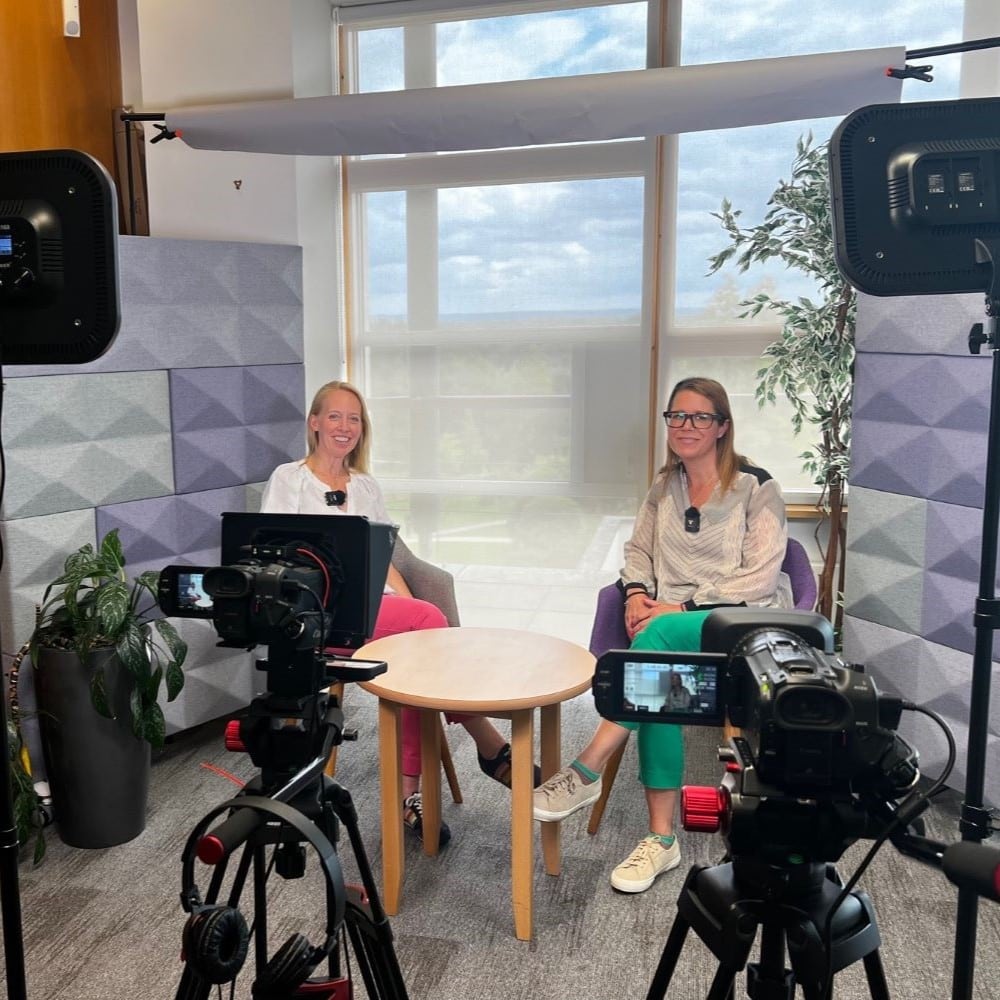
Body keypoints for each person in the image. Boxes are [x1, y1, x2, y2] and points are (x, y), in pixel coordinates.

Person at [532, 376, 792, 894]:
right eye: (677, 416)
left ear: (722, 427)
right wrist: (634, 593)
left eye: (700, 417)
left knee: (658, 644)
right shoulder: (663, 487)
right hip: (666, 630)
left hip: (740, 626)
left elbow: (760, 577)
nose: (686, 426)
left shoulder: (756, 486)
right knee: (657, 683)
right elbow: (638, 551)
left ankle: (587, 769)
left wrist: (681, 605)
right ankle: (661, 840)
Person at [261, 379, 530, 846]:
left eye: (354, 419)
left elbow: (385, 560)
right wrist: (417, 614)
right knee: (426, 628)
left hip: (375, 611)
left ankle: (412, 795)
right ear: (314, 423)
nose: (345, 427)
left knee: (416, 652)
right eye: (335, 416)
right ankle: (487, 747)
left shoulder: (365, 486)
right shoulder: (290, 479)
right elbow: (273, 559)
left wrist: (407, 605)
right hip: (321, 616)